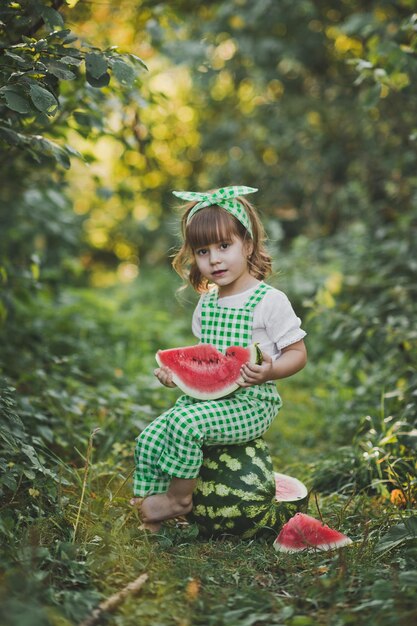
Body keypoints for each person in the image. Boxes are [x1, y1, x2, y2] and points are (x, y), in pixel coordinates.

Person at [131, 186, 307, 531]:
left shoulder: (268, 301)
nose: (214, 259)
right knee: (150, 436)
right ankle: (151, 507)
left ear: (249, 245)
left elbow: (298, 354)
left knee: (184, 426)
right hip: (209, 402)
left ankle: (179, 500)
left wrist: (270, 370)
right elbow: (206, 361)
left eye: (224, 246)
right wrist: (175, 376)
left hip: (251, 403)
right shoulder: (207, 302)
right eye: (202, 250)